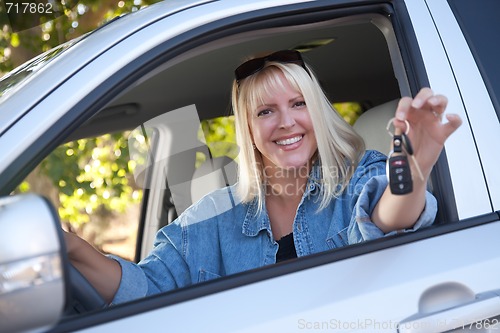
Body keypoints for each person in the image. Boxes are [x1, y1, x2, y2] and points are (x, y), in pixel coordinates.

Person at [64, 50, 462, 305]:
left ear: (317, 112)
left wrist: (412, 167)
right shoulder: (210, 219)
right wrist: (73, 249)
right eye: (266, 111)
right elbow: (144, 290)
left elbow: (391, 214)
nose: (286, 122)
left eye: (298, 103)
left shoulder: (359, 176)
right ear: (249, 129)